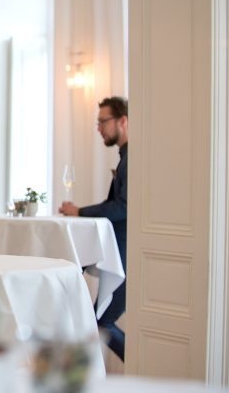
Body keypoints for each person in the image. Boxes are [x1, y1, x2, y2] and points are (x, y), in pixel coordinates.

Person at [59, 96, 128, 361]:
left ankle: (139, 366)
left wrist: (80, 212)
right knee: (98, 320)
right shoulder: (125, 156)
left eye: (103, 122)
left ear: (122, 120)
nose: (99, 128)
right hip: (119, 249)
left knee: (100, 322)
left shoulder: (131, 157)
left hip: (126, 253)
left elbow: (123, 207)